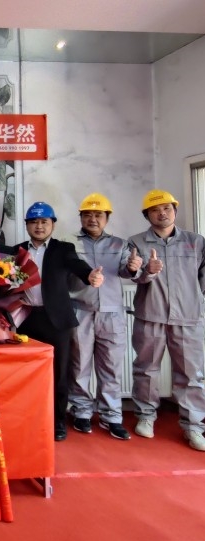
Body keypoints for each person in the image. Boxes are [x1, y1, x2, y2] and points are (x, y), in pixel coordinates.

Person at [15, 201, 104, 442]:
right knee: (26, 373)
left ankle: (57, 422)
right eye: (34, 222)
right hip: (25, 319)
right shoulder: (17, 251)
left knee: (59, 374)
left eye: (44, 221)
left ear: (52, 224)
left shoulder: (63, 248)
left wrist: (89, 275)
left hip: (56, 320)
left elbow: (77, 265)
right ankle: (29, 418)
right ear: (27, 225)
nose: (39, 226)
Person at [125, 189, 205, 452]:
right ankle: (146, 416)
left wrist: (197, 302)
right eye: (155, 210)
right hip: (151, 315)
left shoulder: (196, 242)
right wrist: (145, 271)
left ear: (175, 211)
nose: (162, 213)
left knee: (191, 374)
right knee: (146, 370)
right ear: (147, 215)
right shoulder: (136, 242)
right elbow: (132, 274)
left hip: (188, 318)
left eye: (167, 208)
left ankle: (194, 426)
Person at [68, 193, 141, 440]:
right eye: (87, 214)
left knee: (111, 367)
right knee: (79, 366)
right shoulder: (69, 243)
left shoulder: (120, 245)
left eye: (98, 215)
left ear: (107, 218)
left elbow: (126, 271)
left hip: (112, 314)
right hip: (80, 311)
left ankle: (112, 416)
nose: (93, 219)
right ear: (81, 217)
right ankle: (81, 412)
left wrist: (132, 267)